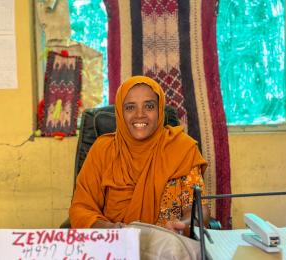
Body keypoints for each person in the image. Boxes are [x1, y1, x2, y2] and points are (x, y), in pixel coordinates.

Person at [69, 75, 210, 235]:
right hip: (115, 248)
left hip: (168, 247)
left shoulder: (182, 148)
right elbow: (81, 209)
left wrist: (183, 226)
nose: (139, 114)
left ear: (159, 110)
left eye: (149, 106)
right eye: (130, 107)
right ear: (120, 113)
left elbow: (199, 210)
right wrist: (115, 232)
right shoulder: (102, 150)